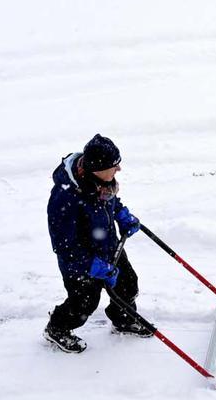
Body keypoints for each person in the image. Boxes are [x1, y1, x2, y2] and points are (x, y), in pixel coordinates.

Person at [44, 133, 153, 353]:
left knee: (128, 284)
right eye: (115, 165)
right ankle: (57, 328)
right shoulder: (64, 197)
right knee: (84, 303)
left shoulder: (102, 182)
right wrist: (91, 265)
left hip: (108, 248)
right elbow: (63, 245)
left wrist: (122, 214)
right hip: (80, 262)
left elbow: (111, 202)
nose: (119, 169)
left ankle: (123, 319)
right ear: (97, 167)